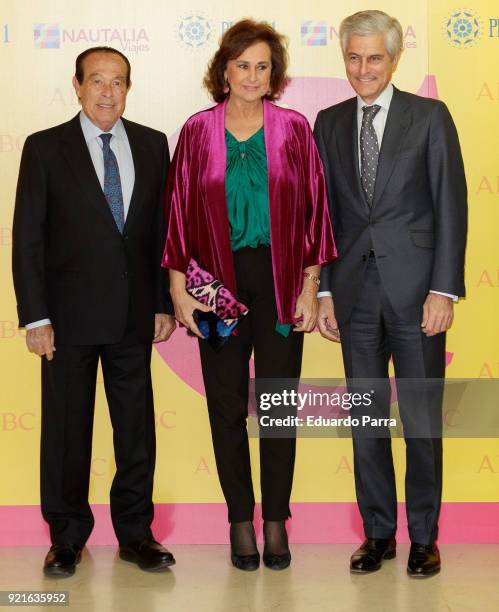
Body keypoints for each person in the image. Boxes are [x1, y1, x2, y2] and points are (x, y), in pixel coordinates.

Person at [163, 20, 336, 571]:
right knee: (226, 406)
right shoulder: (195, 131)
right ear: (224, 70)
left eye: (263, 66)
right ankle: (241, 518)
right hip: (213, 286)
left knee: (277, 406)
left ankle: (276, 520)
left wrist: (310, 287)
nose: (252, 76)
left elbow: (315, 215)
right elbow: (176, 219)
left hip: (283, 281)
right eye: (243, 66)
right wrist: (178, 290)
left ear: (274, 74)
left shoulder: (293, 129)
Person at [12, 46, 176, 576]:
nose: (108, 92)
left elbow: (159, 238)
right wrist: (36, 317)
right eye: (98, 81)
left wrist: (160, 303)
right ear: (78, 85)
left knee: (136, 431)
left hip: (133, 316)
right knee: (67, 430)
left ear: (129, 87)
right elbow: (28, 240)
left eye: (119, 82)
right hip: (66, 320)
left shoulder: (153, 145)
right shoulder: (44, 148)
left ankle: (136, 533)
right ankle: (66, 537)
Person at [314, 10, 467, 577]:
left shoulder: (428, 117)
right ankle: (377, 532)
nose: (363, 69)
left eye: (374, 57)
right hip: (353, 297)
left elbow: (451, 204)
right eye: (353, 57)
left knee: (421, 420)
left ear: (394, 58)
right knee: (366, 421)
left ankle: (424, 536)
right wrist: (326, 290)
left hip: (417, 294)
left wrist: (443, 289)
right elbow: (322, 216)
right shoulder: (327, 123)